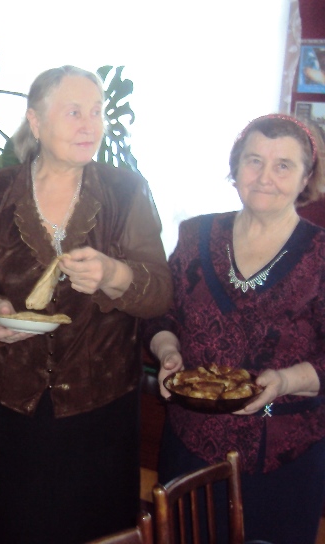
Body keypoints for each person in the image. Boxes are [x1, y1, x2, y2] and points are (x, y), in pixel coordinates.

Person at [0, 65, 172, 544]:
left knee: (91, 529)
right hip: (4, 398)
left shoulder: (127, 192)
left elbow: (160, 293)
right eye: (74, 112)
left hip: (98, 402)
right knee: (7, 526)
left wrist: (114, 275)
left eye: (97, 112)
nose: (90, 125)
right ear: (36, 122)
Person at [147, 114, 325, 544]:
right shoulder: (196, 235)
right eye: (254, 160)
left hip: (283, 458)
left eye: (283, 165)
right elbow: (160, 314)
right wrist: (168, 351)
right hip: (190, 448)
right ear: (235, 166)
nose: (265, 177)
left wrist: (285, 381)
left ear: (306, 178)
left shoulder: (321, 254)